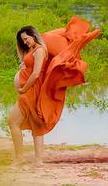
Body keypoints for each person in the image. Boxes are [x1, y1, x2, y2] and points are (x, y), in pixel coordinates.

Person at [8, 16, 101, 166]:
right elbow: (32, 68)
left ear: (33, 35)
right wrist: (23, 66)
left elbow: (36, 74)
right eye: (23, 41)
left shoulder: (39, 50)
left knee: (13, 122)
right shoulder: (35, 50)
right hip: (31, 90)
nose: (25, 42)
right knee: (36, 125)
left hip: (31, 91)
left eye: (26, 39)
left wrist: (24, 88)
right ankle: (38, 160)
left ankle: (20, 158)